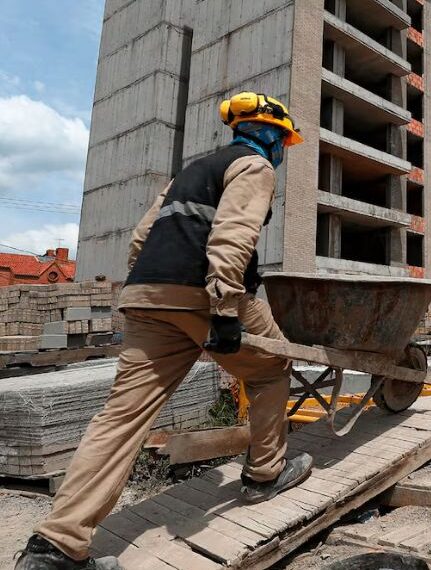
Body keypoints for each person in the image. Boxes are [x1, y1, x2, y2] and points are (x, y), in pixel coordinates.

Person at [15, 92, 315, 570]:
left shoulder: (189, 173)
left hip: (148, 296)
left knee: (122, 416)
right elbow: (233, 235)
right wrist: (223, 311)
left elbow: (141, 238)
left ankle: (55, 547)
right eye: (283, 141)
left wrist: (151, 288)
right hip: (204, 294)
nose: (283, 149)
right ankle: (264, 475)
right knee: (272, 365)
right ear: (272, 135)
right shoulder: (256, 167)